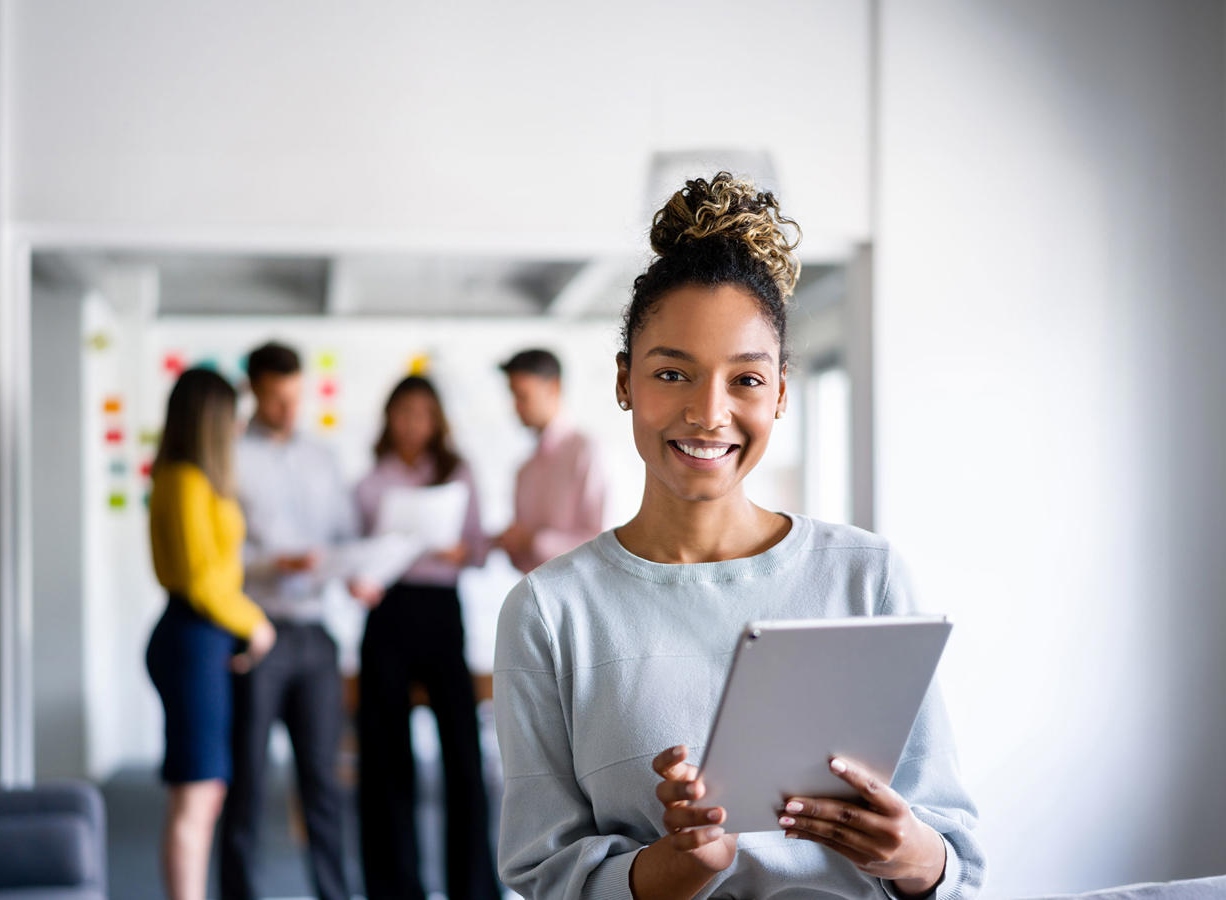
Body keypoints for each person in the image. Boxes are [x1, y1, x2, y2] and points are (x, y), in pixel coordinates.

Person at [493, 174, 986, 900]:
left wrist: (911, 854)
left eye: (746, 381)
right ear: (626, 381)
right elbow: (542, 871)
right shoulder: (550, 611)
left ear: (782, 391)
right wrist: (675, 869)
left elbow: (956, 860)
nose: (708, 413)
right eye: (672, 373)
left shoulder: (867, 576)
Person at [221, 342, 380, 900]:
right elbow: (220, 555)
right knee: (246, 780)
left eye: (294, 397)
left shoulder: (324, 457)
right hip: (257, 631)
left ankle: (334, 894)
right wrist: (272, 563)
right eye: (274, 398)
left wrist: (355, 571)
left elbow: (342, 537)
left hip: (317, 634)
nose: (288, 409)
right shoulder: (232, 457)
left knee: (322, 783)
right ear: (254, 393)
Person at [354, 375, 502, 900]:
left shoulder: (458, 473)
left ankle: (474, 888)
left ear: (437, 420)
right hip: (387, 614)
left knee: (463, 756)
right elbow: (355, 553)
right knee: (384, 759)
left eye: (422, 413)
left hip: (441, 612)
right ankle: (393, 888)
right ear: (389, 418)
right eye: (403, 412)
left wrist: (462, 552)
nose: (413, 423)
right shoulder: (371, 480)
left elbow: (480, 550)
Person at [144, 367, 277, 900]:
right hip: (192, 636)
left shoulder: (195, 479)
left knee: (207, 795)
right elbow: (201, 581)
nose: (243, 424)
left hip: (205, 639)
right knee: (194, 799)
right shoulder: (183, 480)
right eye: (236, 413)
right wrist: (256, 624)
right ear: (212, 419)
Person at [493, 348, 607, 574]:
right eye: (513, 395)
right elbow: (522, 561)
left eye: (522, 396)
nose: (515, 407)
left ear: (554, 388)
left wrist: (534, 542)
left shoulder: (587, 452)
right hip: (534, 598)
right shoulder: (525, 469)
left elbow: (602, 544)